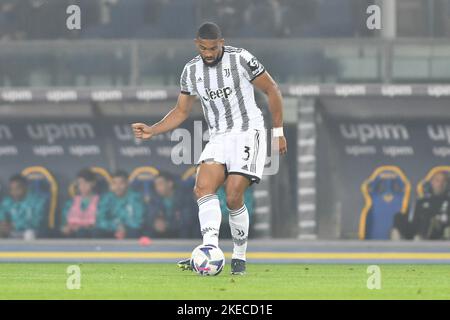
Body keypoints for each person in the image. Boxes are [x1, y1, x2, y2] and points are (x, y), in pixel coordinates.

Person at [132, 22, 287, 275]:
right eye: (203, 48)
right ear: (197, 44)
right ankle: (209, 251)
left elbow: (272, 89)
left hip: (249, 131)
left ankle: (239, 256)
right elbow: (181, 111)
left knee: (234, 195)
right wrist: (153, 129)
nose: (208, 53)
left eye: (213, 48)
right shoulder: (191, 71)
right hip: (219, 136)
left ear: (221, 43)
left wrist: (278, 132)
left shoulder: (241, 59)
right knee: (202, 187)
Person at [391, 171, 450, 240]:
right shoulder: (422, 201)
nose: (440, 184)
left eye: (443, 181)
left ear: (447, 184)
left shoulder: (448, 201)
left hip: (438, 234)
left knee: (428, 220)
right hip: (417, 231)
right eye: (437, 180)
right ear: (432, 182)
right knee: (398, 217)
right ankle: (397, 248)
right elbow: (412, 221)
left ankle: (419, 241)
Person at [144, 172, 197, 238]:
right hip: (161, 234)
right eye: (156, 185)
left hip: (179, 233)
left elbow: (188, 220)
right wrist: (155, 222)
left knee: (186, 230)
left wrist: (168, 224)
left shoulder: (184, 197)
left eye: (160, 184)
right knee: (148, 231)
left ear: (170, 184)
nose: (157, 188)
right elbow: (148, 217)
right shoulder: (154, 199)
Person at [96, 170, 144, 239]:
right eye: (114, 183)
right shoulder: (106, 198)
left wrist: (124, 227)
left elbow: (138, 221)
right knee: (98, 231)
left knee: (134, 232)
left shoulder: (135, 198)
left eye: (121, 183)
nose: (118, 187)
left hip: (129, 229)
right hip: (112, 229)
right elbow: (100, 220)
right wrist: (116, 226)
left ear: (127, 183)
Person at [0, 174, 46, 239]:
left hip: (33, 234)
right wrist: (3, 223)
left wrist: (15, 225)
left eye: (17, 188)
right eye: (11, 189)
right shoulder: (7, 202)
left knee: (29, 234)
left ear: (26, 187)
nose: (14, 192)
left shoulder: (38, 201)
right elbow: (2, 216)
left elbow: (37, 222)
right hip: (11, 233)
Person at [61, 169, 99, 238]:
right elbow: (64, 221)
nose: (82, 186)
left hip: (89, 234)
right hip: (72, 233)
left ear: (93, 183)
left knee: (82, 232)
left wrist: (85, 227)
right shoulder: (71, 202)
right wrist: (66, 227)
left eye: (85, 183)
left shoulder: (100, 202)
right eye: (80, 183)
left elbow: (101, 223)